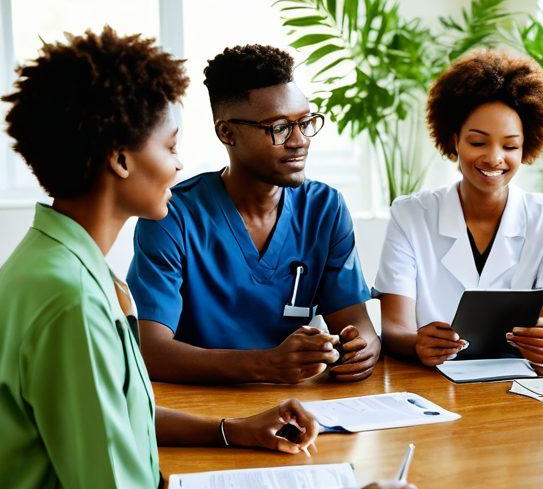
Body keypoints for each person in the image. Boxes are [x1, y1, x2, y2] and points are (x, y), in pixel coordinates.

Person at [0, 28, 416, 489]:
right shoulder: (67, 299)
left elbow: (113, 417)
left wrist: (230, 430)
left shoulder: (63, 269)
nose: (179, 163)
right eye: (169, 143)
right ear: (119, 157)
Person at [127, 44, 379, 384]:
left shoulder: (325, 208)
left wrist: (362, 346)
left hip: (302, 409)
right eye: (278, 128)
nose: (299, 140)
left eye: (305, 122)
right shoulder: (172, 217)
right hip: (201, 410)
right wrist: (266, 365)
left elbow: (354, 320)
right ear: (227, 132)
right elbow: (149, 350)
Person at [376, 48, 543, 366]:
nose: (494, 158)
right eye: (478, 142)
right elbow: (393, 328)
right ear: (454, 140)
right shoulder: (410, 215)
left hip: (518, 387)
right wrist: (418, 343)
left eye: (510, 145)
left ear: (527, 146)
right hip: (430, 383)